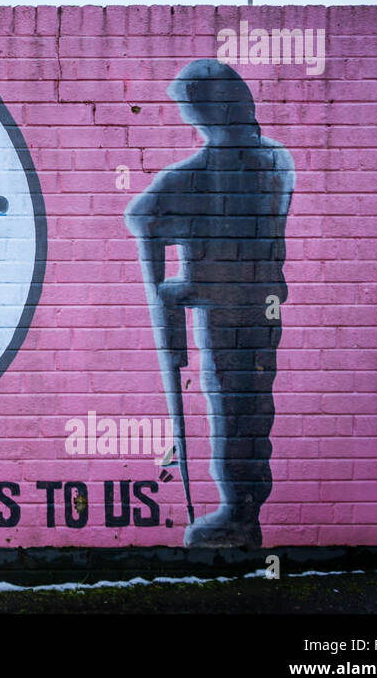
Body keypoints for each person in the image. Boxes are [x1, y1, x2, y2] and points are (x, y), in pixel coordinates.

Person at [125, 59, 294, 548]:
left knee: (236, 405)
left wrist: (187, 280)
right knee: (246, 405)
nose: (189, 120)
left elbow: (149, 215)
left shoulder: (227, 167)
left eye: (194, 111)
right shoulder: (275, 158)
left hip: (235, 308)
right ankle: (242, 508)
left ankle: (241, 512)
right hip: (258, 303)